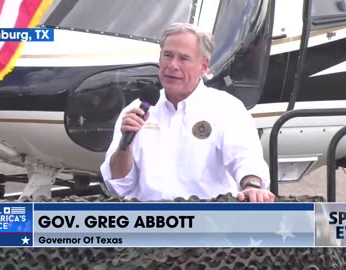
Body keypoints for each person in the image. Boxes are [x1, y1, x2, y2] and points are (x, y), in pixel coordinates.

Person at [100, 22, 275, 202]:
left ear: (204, 66)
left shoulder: (227, 108)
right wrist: (125, 145)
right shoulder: (136, 109)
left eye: (184, 59)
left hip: (208, 220)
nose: (173, 65)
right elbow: (119, 187)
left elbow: (245, 158)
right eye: (167, 55)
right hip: (148, 221)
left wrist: (252, 186)